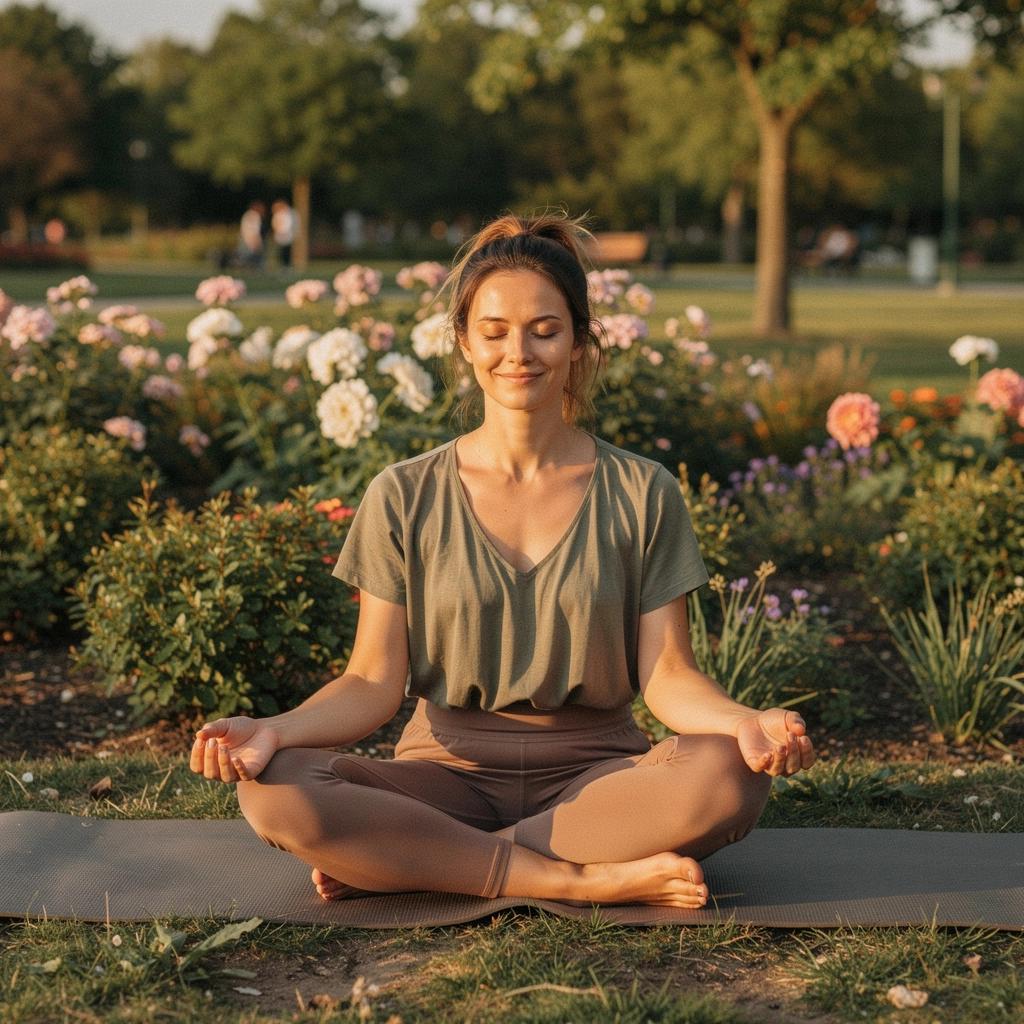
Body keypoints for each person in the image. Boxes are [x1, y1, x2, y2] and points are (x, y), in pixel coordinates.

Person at [189, 211, 816, 908]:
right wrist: (273, 731)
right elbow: (370, 681)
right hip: (441, 779)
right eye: (494, 333)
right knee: (276, 791)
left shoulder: (644, 492)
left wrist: (743, 723)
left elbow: (668, 677)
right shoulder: (402, 493)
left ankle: (419, 861)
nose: (518, 353)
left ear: (579, 341)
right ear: (463, 340)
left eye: (545, 331)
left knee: (728, 775)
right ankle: (574, 880)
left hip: (600, 782)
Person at [238, 201, 266, 268]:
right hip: (251, 240)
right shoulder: (255, 216)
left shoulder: (247, 215)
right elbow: (254, 231)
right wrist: (256, 242)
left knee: (245, 257)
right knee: (251, 258)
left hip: (245, 239)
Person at [272, 199, 297, 269]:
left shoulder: (289, 213)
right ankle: (282, 266)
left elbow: (288, 225)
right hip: (280, 236)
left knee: (287, 252)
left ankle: (287, 266)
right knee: (281, 253)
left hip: (287, 236)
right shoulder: (278, 214)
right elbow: (275, 224)